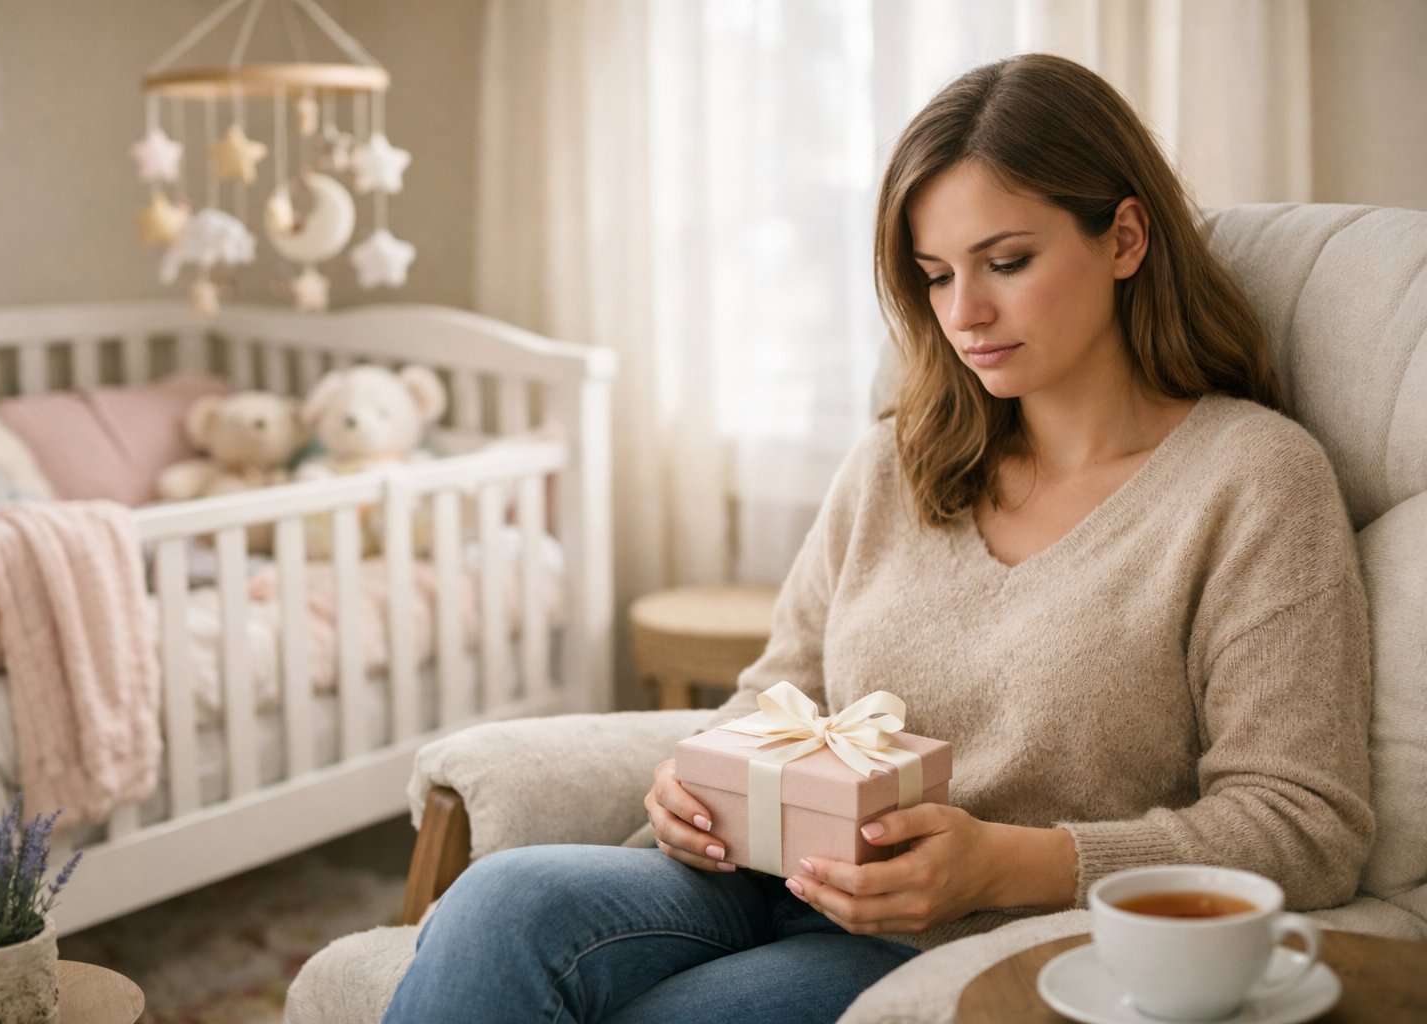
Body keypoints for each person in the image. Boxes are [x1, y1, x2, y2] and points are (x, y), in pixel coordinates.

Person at [383, 52, 1372, 1023]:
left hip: (978, 936)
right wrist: (699, 775)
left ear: (1123, 237)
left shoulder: (1251, 480)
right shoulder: (898, 461)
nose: (964, 314)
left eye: (1008, 261)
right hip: (763, 877)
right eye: (935, 276)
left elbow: (1305, 824)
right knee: (495, 903)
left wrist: (1009, 859)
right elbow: (781, 695)